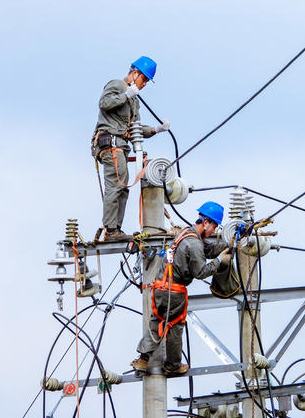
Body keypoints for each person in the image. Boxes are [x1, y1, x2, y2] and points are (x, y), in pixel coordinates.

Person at [131, 201, 232, 375]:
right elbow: (200, 272)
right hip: (174, 292)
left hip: (160, 288)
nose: (214, 232)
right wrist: (219, 261)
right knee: (175, 326)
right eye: (214, 226)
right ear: (206, 222)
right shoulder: (194, 244)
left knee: (157, 321)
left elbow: (206, 250)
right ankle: (173, 366)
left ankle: (143, 359)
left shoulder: (186, 233)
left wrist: (228, 244)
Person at [91, 56, 170, 241]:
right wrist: (126, 94)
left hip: (121, 147)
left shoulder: (134, 101)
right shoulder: (118, 86)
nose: (144, 85)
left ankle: (115, 228)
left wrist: (155, 130)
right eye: (143, 79)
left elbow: (134, 128)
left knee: (123, 188)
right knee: (116, 185)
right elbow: (104, 103)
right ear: (135, 73)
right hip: (110, 144)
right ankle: (111, 230)